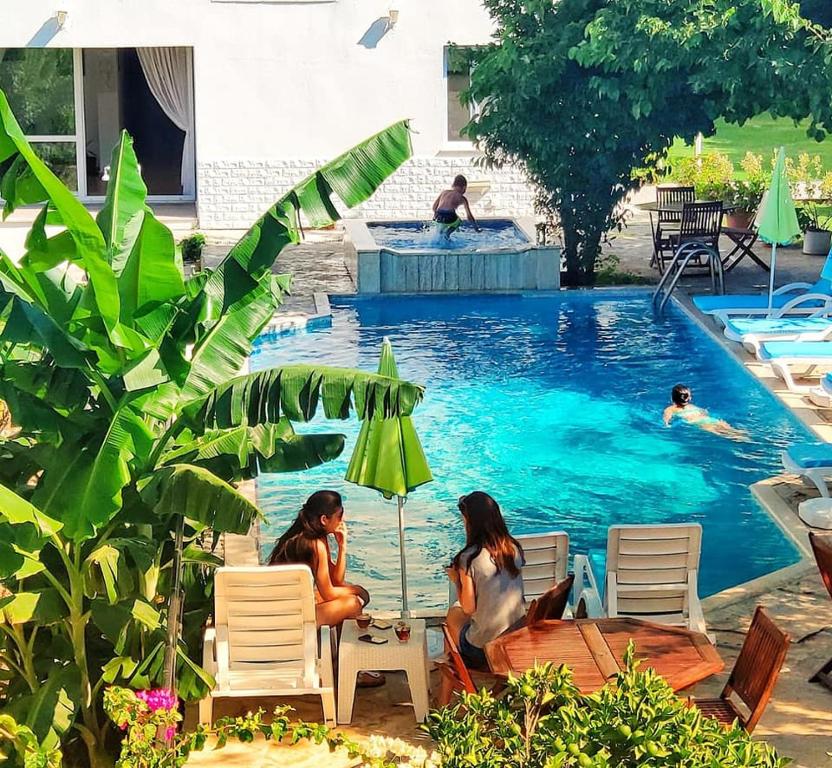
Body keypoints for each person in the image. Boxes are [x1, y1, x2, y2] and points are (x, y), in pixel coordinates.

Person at [444, 492, 525, 678]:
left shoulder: (468, 558)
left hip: (484, 651)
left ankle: (450, 685)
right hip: (515, 640)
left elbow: (468, 608)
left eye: (464, 519)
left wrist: (457, 580)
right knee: (461, 621)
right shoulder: (513, 548)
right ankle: (448, 682)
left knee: (453, 616)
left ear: (471, 522)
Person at [268, 490, 370, 627]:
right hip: (288, 619)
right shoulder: (315, 544)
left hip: (278, 610)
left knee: (341, 597)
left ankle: (337, 646)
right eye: (339, 516)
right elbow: (329, 593)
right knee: (353, 603)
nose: (342, 520)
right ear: (324, 520)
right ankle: (344, 647)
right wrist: (358, 590)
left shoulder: (306, 535)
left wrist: (342, 547)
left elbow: (336, 580)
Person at [663, 384, 750, 441]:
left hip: (699, 423)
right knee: (733, 431)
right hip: (711, 419)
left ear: (672, 398)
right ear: (689, 398)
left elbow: (667, 420)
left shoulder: (670, 409)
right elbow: (704, 412)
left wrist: (667, 425)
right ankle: (748, 437)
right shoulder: (692, 406)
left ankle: (747, 443)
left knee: (728, 436)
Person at [432, 174, 481, 239]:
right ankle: (447, 235)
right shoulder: (462, 198)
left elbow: (434, 207)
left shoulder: (444, 192)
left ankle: (440, 234)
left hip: (438, 214)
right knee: (458, 221)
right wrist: (476, 228)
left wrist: (437, 215)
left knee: (441, 226)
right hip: (450, 215)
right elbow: (469, 216)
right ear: (464, 187)